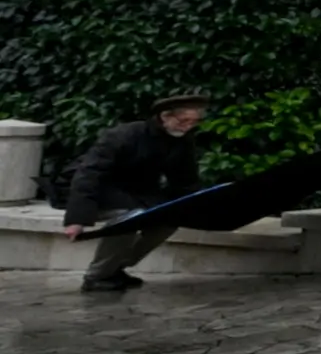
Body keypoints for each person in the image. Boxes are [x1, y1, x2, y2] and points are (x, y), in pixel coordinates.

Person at [61, 92, 211, 293]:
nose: (188, 126)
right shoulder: (124, 135)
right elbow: (89, 174)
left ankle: (115, 267)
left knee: (169, 220)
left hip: (138, 193)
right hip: (100, 190)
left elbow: (186, 181)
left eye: (194, 122)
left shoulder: (183, 142)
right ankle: (97, 276)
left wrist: (197, 205)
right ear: (165, 116)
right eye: (184, 120)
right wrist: (76, 218)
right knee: (127, 219)